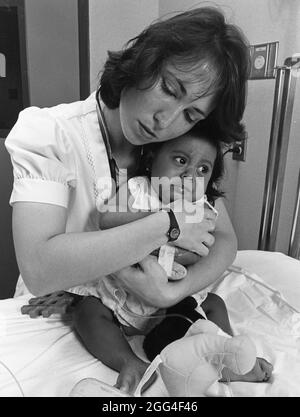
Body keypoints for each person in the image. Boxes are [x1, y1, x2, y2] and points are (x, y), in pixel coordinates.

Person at [5, 6, 254, 393]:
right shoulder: (50, 133)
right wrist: (167, 226)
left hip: (154, 305)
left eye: (190, 114)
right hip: (68, 309)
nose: (165, 121)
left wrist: (171, 292)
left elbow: (224, 239)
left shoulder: (175, 152)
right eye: (169, 89)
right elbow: (39, 266)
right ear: (144, 61)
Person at [71, 126, 273, 394]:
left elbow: (205, 250)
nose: (190, 175)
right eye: (181, 160)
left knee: (213, 304)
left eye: (203, 170)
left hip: (173, 304)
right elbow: (107, 219)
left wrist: (185, 254)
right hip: (122, 296)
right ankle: (128, 362)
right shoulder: (137, 188)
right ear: (153, 157)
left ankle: (228, 355)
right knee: (87, 311)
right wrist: (162, 222)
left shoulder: (203, 208)